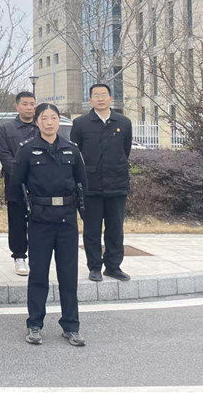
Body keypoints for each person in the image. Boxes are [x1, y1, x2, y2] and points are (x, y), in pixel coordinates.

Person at [11, 103, 87, 347]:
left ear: (58, 121)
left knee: (68, 276)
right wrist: (23, 217)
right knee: (38, 276)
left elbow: (82, 184)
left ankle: (71, 326)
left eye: (53, 118)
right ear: (37, 122)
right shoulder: (27, 150)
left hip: (66, 220)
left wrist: (84, 215)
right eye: (44, 118)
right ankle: (34, 324)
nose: (49, 122)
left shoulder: (71, 150)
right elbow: (16, 187)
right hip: (40, 220)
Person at [70, 83, 133, 283]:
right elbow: (75, 154)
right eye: (95, 95)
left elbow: (125, 150)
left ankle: (113, 266)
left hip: (117, 184)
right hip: (91, 186)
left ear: (110, 98)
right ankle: (95, 267)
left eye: (103, 94)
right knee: (92, 230)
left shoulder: (123, 122)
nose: (100, 98)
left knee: (115, 229)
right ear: (90, 100)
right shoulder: (80, 124)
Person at [0, 91, 39, 276]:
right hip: (15, 184)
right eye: (25, 104)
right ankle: (19, 257)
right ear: (17, 106)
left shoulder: (41, 127)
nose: (29, 107)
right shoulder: (6, 129)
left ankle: (38, 256)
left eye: (32, 104)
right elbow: (4, 154)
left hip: (39, 184)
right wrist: (21, 174)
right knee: (17, 222)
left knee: (38, 222)